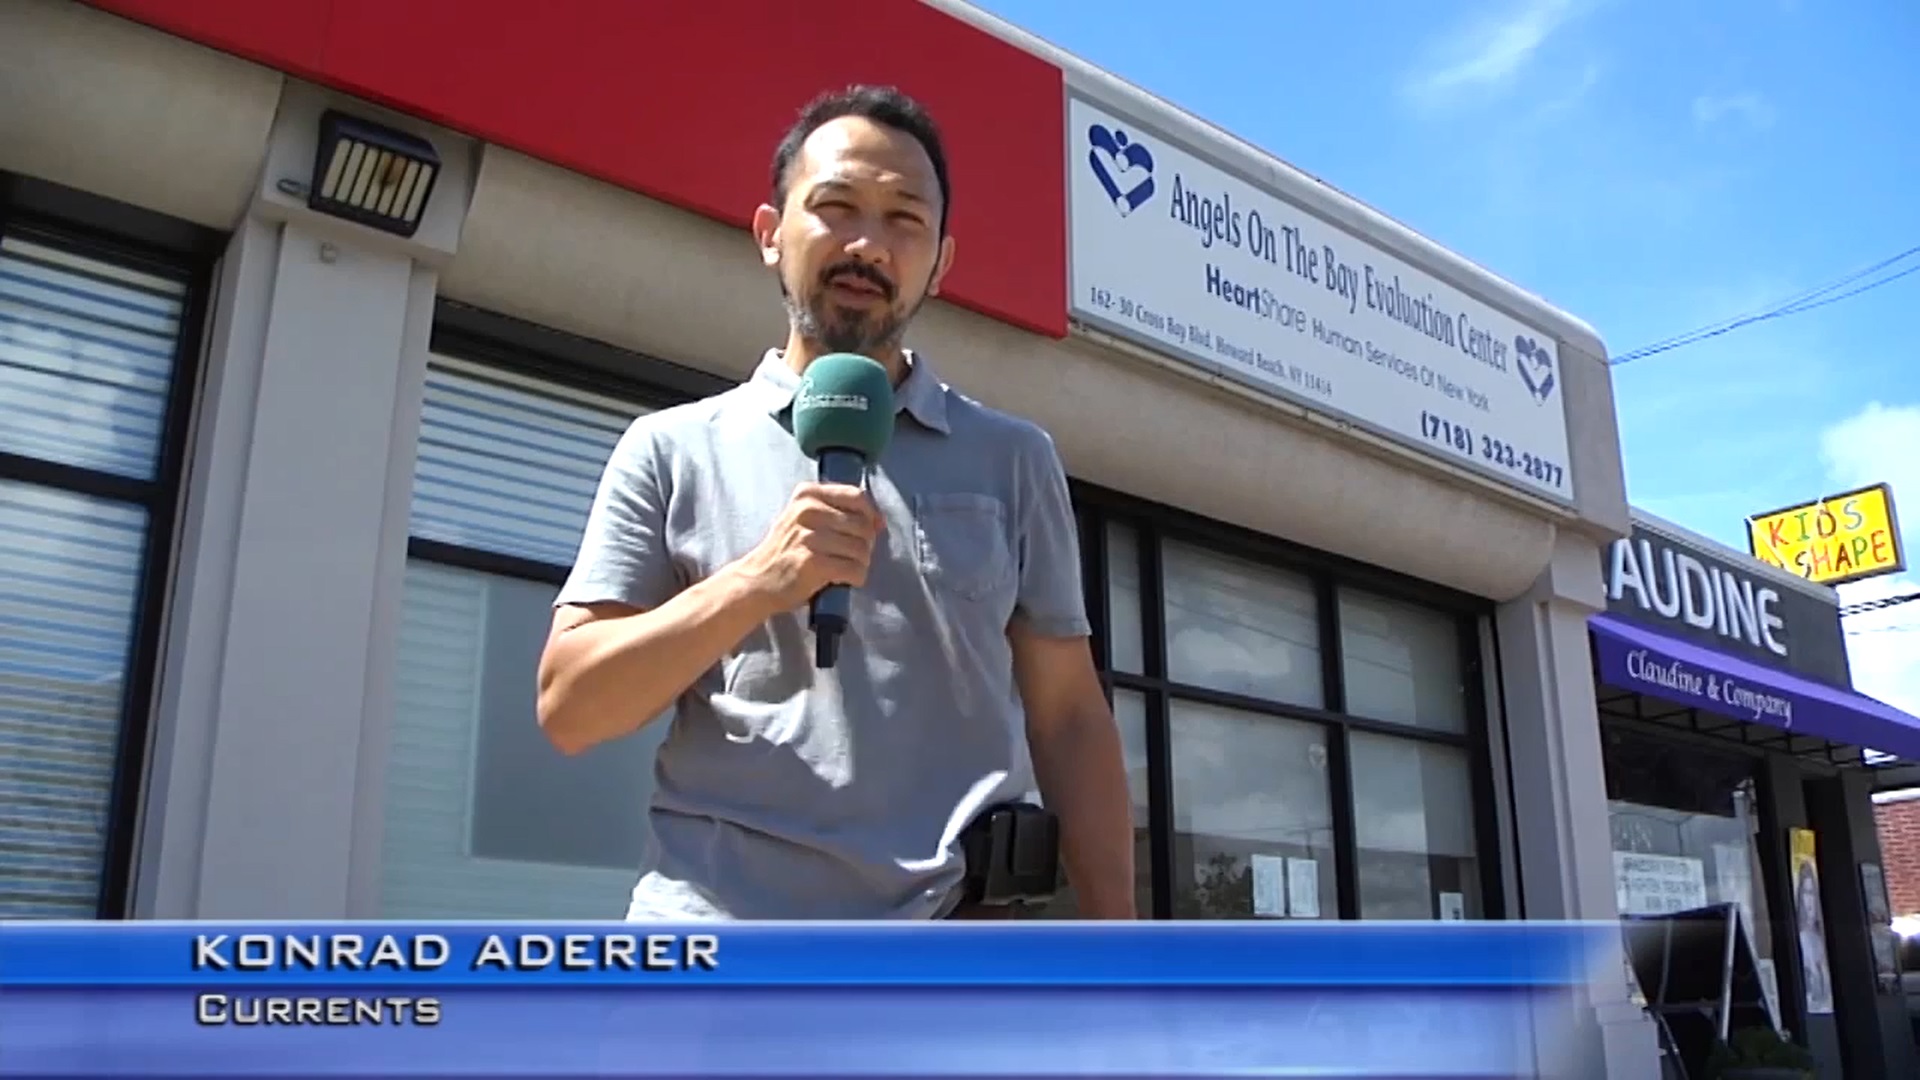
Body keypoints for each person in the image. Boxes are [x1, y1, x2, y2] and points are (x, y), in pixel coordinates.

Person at [534, 84, 1137, 921]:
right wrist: (756, 583)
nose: (867, 244)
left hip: (959, 952)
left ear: (941, 261)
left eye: (903, 220)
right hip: (722, 957)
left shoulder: (1016, 459)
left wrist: (1126, 953)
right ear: (770, 235)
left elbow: (1069, 717)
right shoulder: (670, 449)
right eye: (835, 207)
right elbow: (570, 710)